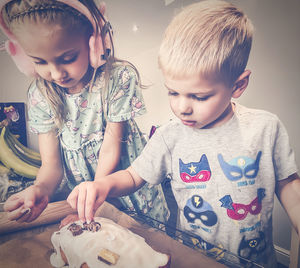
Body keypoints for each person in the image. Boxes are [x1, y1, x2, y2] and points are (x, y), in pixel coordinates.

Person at [66, 0, 300, 267]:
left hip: (255, 260)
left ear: (238, 84)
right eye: (173, 92)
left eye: (199, 96)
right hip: (192, 258)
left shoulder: (266, 128)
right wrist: (102, 184)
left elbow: (288, 184)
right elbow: (134, 175)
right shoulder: (169, 135)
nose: (182, 107)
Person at [1, 0, 169, 226]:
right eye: (39, 61)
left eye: (68, 58)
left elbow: (111, 148)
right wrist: (40, 189)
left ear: (96, 44)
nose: (56, 73)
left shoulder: (118, 78)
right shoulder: (39, 94)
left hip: (131, 192)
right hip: (91, 201)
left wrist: (96, 198)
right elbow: (51, 165)